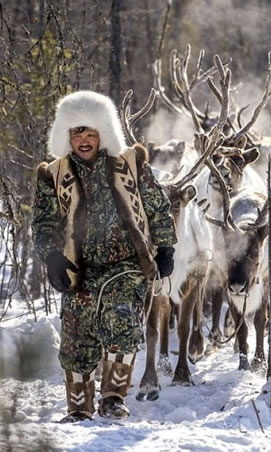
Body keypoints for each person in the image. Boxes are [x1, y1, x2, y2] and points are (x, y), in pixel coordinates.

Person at [31, 90, 177, 422]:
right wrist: (51, 256)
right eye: (76, 132)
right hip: (79, 267)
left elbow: (156, 206)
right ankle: (79, 410)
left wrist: (166, 246)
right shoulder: (54, 174)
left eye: (90, 131)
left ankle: (113, 398)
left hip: (126, 263)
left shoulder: (129, 163)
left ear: (103, 133)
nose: (84, 138)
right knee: (76, 338)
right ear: (66, 136)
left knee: (122, 321)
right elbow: (43, 222)